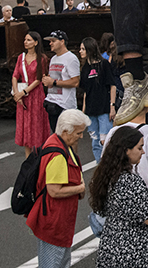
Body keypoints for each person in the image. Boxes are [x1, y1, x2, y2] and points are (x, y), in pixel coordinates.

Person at [90, 126, 148, 268]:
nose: (143, 152)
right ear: (126, 150)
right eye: (139, 147)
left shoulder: (106, 175)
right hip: (134, 249)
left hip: (110, 245)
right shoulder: (129, 181)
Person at [26, 109, 90, 268]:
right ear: (67, 131)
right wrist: (79, 188)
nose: (81, 136)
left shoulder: (55, 141)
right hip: (55, 221)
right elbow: (54, 190)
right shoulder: (58, 155)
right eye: (79, 133)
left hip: (52, 218)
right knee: (55, 262)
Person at [105, 95, 148, 241]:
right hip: (146, 205)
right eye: (140, 147)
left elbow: (104, 165)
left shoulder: (113, 132)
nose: (143, 151)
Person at [11, 31, 51, 158]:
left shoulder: (42, 59)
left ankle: (39, 157)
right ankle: (28, 159)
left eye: (28, 40)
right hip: (22, 96)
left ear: (36, 42)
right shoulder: (21, 58)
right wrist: (16, 93)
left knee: (36, 125)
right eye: (25, 40)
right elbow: (15, 76)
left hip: (35, 96)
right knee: (25, 126)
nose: (25, 42)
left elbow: (38, 79)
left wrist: (23, 92)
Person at [79, 37, 117, 163]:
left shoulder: (103, 64)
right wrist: (83, 112)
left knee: (105, 140)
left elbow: (112, 85)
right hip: (91, 109)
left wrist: (112, 106)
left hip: (104, 108)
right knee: (95, 141)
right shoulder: (85, 68)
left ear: (90, 49)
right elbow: (86, 92)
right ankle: (99, 166)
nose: (80, 51)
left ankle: (109, 167)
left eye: (83, 49)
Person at [42, 30, 81, 132]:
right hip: (52, 103)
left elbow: (75, 82)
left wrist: (54, 82)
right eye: (50, 41)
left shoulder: (71, 58)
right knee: (56, 137)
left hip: (65, 106)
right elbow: (52, 79)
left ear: (62, 41)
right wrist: (47, 80)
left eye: (53, 41)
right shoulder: (53, 59)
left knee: (67, 138)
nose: (50, 43)